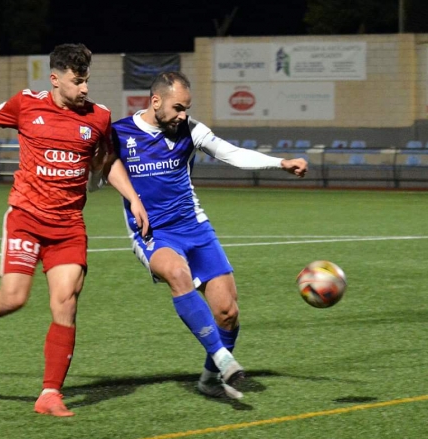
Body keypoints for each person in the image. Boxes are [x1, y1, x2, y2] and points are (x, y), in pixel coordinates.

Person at [0, 43, 149, 417]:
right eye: (77, 81)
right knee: (13, 299)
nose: (85, 89)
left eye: (87, 81)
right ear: (55, 79)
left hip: (68, 226)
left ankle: (50, 393)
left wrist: (133, 197)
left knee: (66, 302)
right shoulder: (27, 103)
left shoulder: (99, 117)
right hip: (26, 218)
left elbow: (107, 161)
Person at [106, 71, 308, 399]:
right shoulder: (119, 133)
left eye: (187, 107)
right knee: (176, 273)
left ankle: (209, 380)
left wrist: (280, 163)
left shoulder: (191, 130)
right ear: (155, 101)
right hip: (153, 233)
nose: (183, 114)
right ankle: (222, 357)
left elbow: (232, 154)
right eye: (178, 107)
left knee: (227, 312)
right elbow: (100, 173)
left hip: (195, 228)